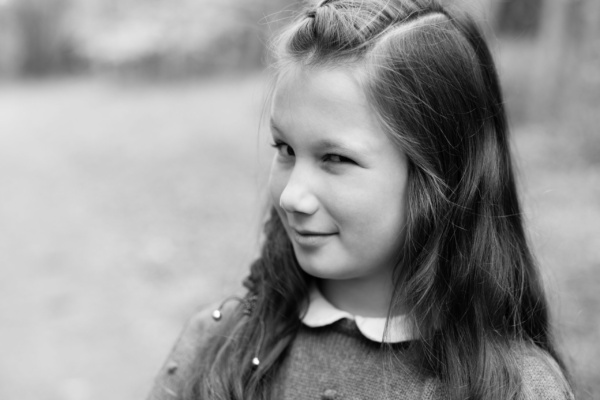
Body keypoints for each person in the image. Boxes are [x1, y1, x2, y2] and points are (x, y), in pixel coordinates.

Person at [147, 0, 574, 399]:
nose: (293, 195)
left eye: (336, 158)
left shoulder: (515, 387)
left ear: (441, 174)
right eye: (285, 149)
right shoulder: (217, 348)